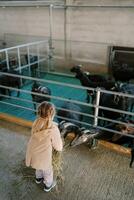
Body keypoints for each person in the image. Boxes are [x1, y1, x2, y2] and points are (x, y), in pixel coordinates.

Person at [25, 101, 63, 192]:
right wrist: (58, 148)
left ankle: (38, 179)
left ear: (39, 112)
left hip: (33, 152)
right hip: (45, 157)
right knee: (48, 171)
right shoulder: (53, 129)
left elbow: (34, 134)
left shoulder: (36, 122)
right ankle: (48, 185)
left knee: (38, 166)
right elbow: (58, 147)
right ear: (52, 114)